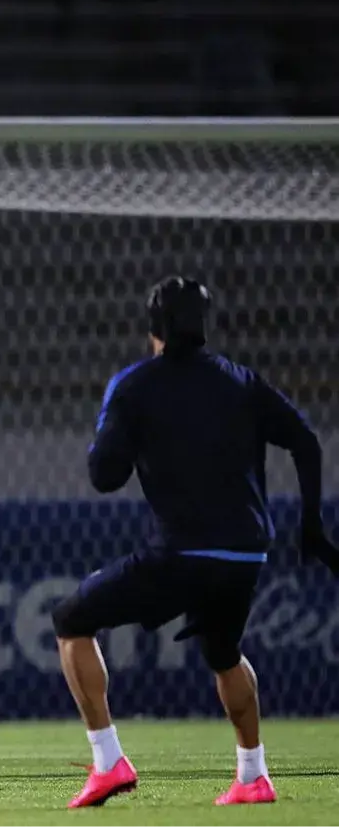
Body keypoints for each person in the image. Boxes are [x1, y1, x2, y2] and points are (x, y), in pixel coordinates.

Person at [52, 275, 336, 808]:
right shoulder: (240, 380)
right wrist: (312, 525)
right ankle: (253, 775)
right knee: (224, 652)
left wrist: (118, 434)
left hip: (182, 553)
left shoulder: (134, 385)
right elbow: (305, 441)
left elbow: (104, 475)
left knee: (71, 619)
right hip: (246, 554)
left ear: (154, 327)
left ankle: (109, 763)